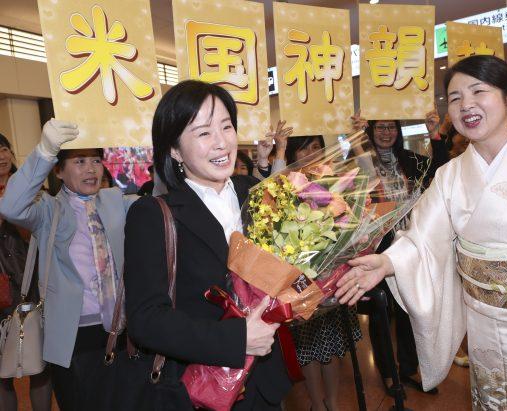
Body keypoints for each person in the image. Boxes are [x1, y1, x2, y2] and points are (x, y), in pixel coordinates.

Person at [335, 55, 507, 409]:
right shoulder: (450, 175)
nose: (466, 105)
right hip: (484, 326)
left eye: (479, 91)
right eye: (456, 98)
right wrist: (386, 262)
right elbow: (422, 238)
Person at [123, 80, 291, 410]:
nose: (221, 143)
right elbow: (146, 319)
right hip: (202, 389)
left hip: (267, 384)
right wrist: (238, 338)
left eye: (226, 127)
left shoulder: (258, 193)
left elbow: (289, 267)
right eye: (203, 133)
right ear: (174, 149)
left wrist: (318, 288)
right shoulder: (154, 215)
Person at [0, 122, 138, 411]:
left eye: (96, 160)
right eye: (79, 161)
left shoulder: (116, 201)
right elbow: (11, 206)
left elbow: (163, 205)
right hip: (74, 335)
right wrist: (45, 150)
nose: (91, 169)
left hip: (121, 329)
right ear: (58, 170)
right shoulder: (49, 210)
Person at [349, 111, 448, 395]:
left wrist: (435, 135)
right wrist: (357, 140)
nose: (386, 132)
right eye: (380, 127)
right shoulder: (359, 162)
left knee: (409, 310)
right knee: (381, 313)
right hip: (375, 247)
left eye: (391, 127)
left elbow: (440, 171)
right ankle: (389, 373)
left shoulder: (409, 159)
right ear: (371, 131)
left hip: (408, 247)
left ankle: (409, 368)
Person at [281, 135, 362, 411]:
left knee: (332, 346)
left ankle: (334, 404)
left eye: (316, 147)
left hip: (333, 279)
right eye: (304, 147)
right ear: (293, 152)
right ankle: (316, 404)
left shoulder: (336, 187)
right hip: (302, 284)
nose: (311, 153)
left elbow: (352, 226)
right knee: (308, 350)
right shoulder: (284, 189)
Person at [0, 134, 53, 411]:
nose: (1, 155)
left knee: (39, 363)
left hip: (32, 285)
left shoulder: (32, 189)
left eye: (5, 148)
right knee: (2, 371)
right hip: (1, 292)